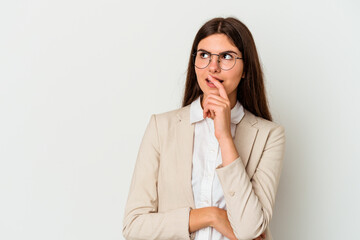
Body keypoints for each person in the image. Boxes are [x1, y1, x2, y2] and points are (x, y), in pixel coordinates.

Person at [122, 17, 286, 240]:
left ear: (246, 68)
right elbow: (134, 226)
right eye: (204, 55)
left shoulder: (268, 136)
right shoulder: (162, 127)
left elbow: (250, 230)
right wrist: (212, 216)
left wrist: (225, 137)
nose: (213, 67)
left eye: (226, 56)